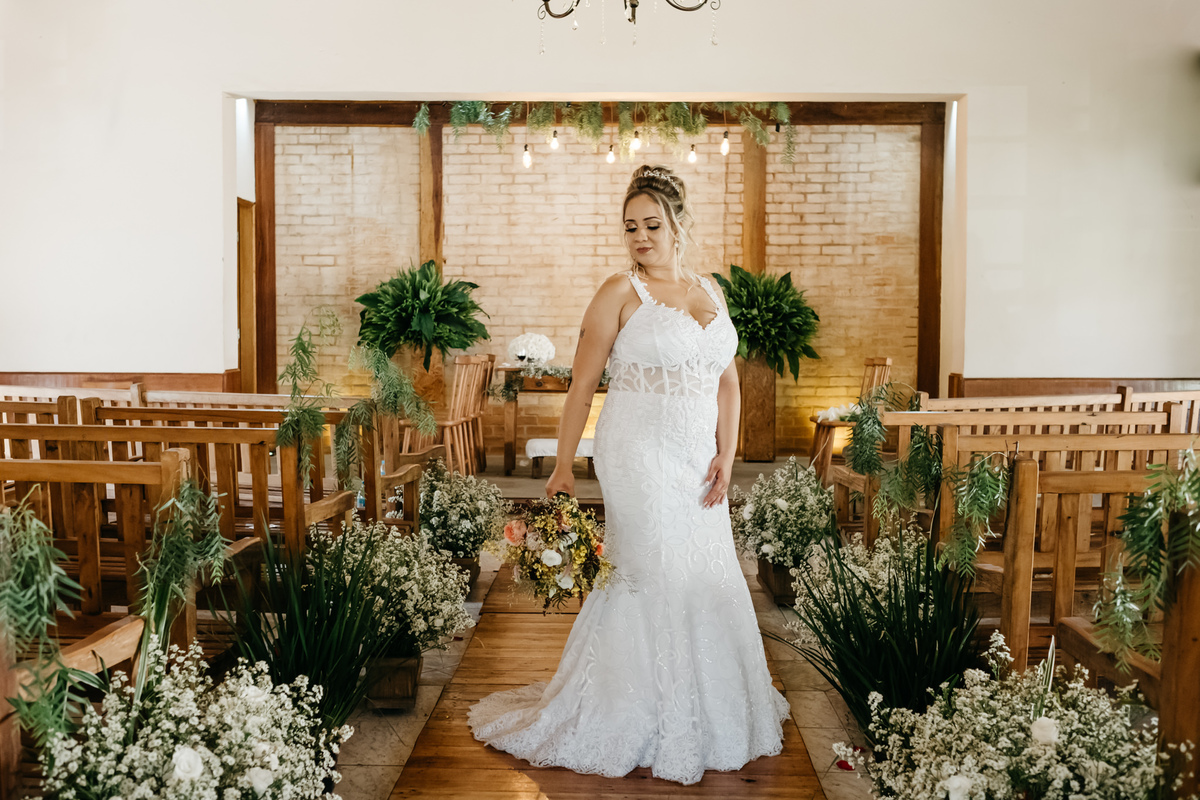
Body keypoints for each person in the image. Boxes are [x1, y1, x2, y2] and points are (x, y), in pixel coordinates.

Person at [467, 165, 788, 786]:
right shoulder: (619, 291)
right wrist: (563, 466)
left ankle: (711, 708)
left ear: (677, 226)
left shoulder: (711, 290)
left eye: (652, 225)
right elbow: (582, 386)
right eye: (630, 227)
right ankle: (628, 708)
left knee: (703, 567)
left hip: (700, 458)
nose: (640, 237)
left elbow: (727, 379)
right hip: (637, 454)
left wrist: (728, 451)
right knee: (649, 570)